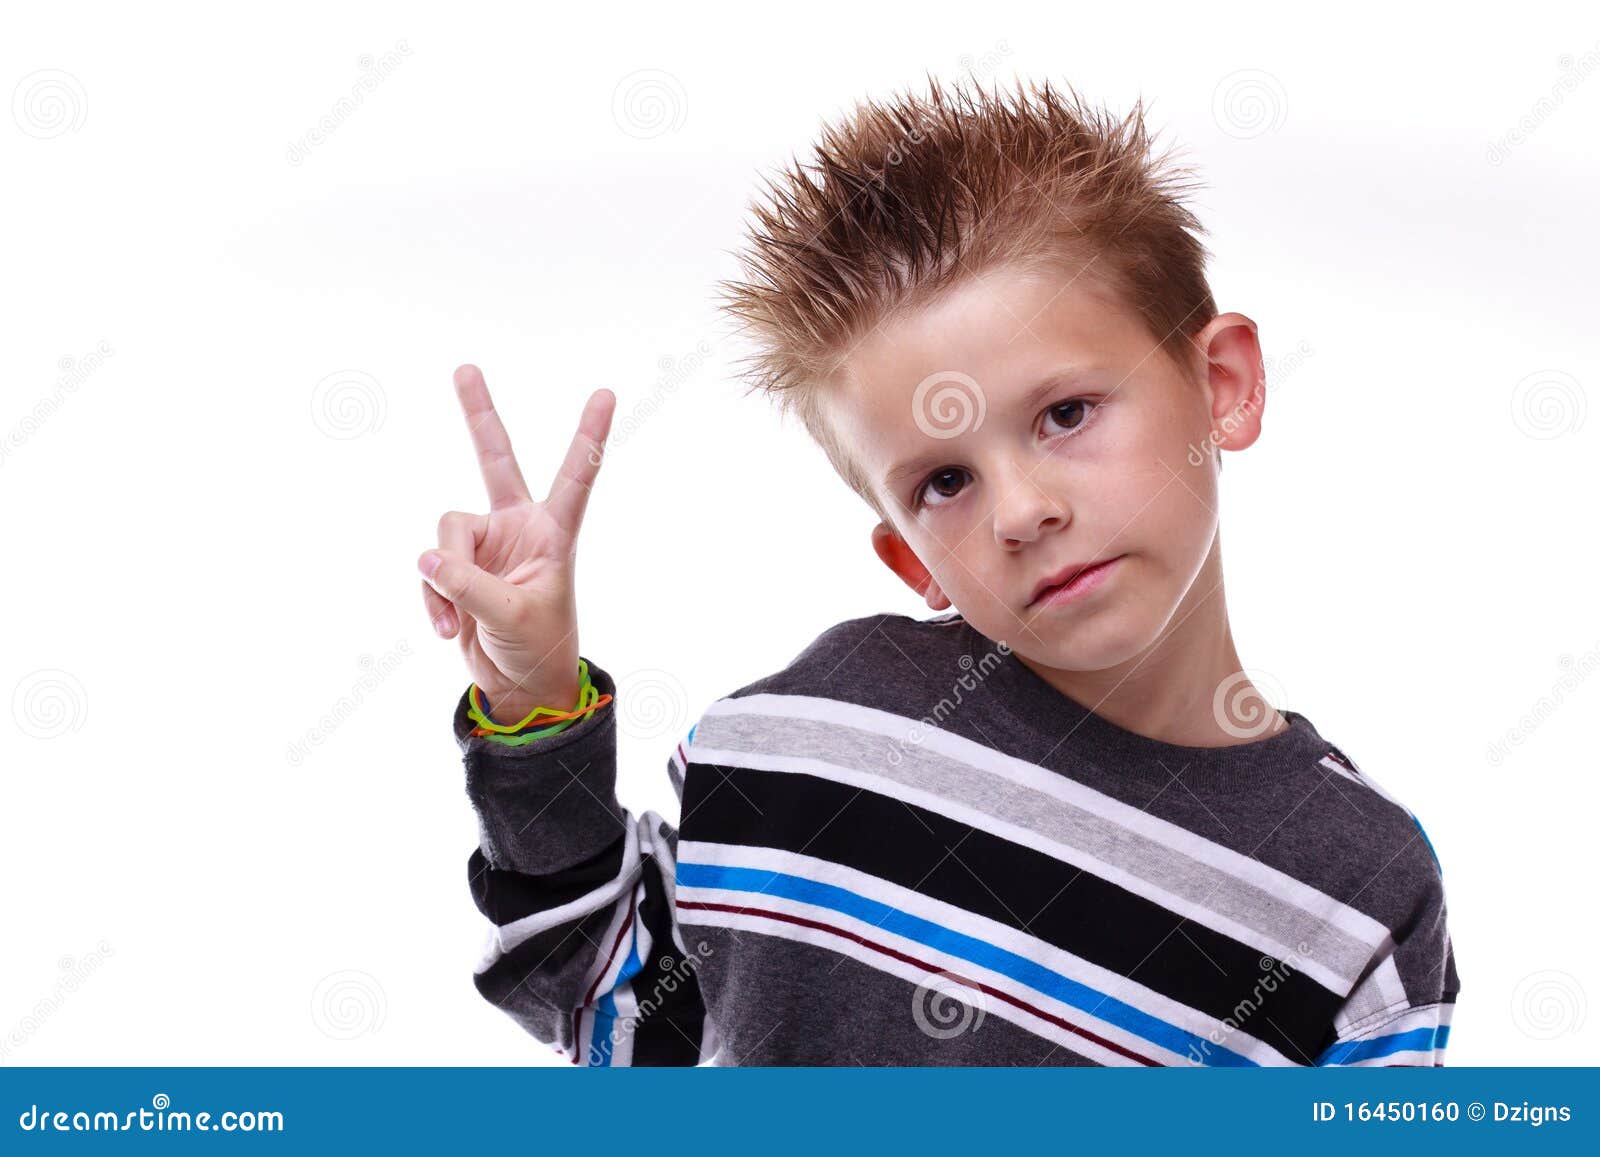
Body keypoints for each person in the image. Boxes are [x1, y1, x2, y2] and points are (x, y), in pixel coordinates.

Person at [418, 76, 1458, 1066]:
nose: (1021, 510)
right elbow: (632, 1029)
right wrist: (533, 703)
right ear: (909, 557)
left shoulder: (1359, 894)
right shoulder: (806, 741)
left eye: (1066, 414)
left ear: (1223, 383)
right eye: (945, 481)